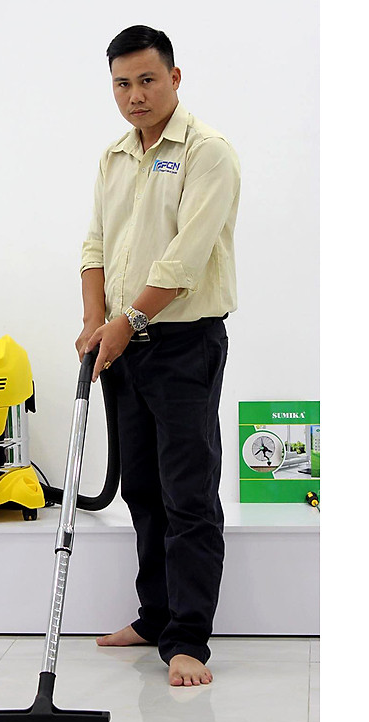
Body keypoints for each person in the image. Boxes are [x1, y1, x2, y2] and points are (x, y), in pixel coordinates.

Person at [76, 25, 240, 687]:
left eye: (147, 80)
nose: (135, 95)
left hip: (182, 346)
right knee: (142, 489)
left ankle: (189, 640)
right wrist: (94, 322)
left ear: (174, 78)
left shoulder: (208, 153)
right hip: (123, 345)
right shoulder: (114, 156)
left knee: (188, 494)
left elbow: (184, 261)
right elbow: (96, 245)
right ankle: (155, 617)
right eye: (123, 84)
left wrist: (126, 322)